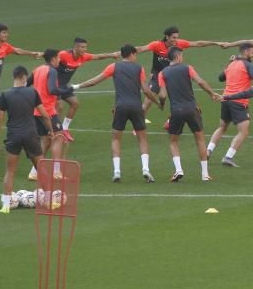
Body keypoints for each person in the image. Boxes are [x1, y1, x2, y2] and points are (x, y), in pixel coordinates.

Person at [74, 45, 161, 182]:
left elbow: (95, 81)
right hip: (136, 107)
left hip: (120, 107)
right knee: (142, 138)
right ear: (132, 54)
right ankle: (145, 169)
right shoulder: (139, 68)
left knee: (116, 139)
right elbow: (146, 90)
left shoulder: (113, 67)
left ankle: (117, 172)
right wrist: (156, 102)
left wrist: (76, 86)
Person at [0, 66, 53, 214]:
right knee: (41, 169)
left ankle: (6, 206)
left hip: (13, 135)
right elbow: (44, 115)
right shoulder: (32, 92)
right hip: (31, 134)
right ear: (24, 77)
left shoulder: (5, 95)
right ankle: (50, 202)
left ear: (14, 77)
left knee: (10, 171)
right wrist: (50, 130)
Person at [156, 47, 218, 182]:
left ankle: (178, 170)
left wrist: (161, 104)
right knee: (200, 139)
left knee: (173, 141)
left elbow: (162, 95)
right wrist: (212, 93)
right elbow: (200, 82)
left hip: (176, 111)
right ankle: (205, 174)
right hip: (192, 109)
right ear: (178, 57)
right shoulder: (187, 68)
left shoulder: (162, 73)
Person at [134, 26, 223, 118]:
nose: (176, 40)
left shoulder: (179, 43)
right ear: (167, 37)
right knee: (148, 101)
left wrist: (215, 43)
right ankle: (139, 124)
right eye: (174, 37)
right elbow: (140, 49)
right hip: (157, 75)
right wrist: (121, 53)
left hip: (173, 76)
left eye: (177, 37)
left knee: (179, 100)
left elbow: (198, 43)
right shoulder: (157, 45)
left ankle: (171, 120)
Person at [206, 43, 253, 166]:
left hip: (225, 100)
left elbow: (221, 77)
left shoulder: (232, 64)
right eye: (252, 52)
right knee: (244, 131)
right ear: (246, 52)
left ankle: (208, 150)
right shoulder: (248, 65)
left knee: (222, 127)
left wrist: (229, 64)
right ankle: (228, 157)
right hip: (239, 102)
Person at [56, 37, 118, 142]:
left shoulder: (83, 57)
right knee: (59, 107)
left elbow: (98, 56)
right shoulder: (64, 55)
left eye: (86, 47)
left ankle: (65, 128)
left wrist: (112, 55)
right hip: (53, 85)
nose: (85, 49)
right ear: (76, 47)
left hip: (64, 85)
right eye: (83, 47)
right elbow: (50, 57)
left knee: (75, 103)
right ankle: (55, 132)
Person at [27, 49, 71, 181]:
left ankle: (34, 172)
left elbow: (26, 83)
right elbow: (52, 89)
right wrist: (65, 90)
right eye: (58, 58)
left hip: (36, 110)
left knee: (45, 140)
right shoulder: (52, 71)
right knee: (58, 137)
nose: (59, 60)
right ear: (53, 59)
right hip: (47, 111)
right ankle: (56, 172)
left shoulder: (38, 69)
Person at [0, 23, 42, 90]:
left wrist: (31, 53)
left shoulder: (5, 46)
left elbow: (17, 51)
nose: (7, 35)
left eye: (7, 33)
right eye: (4, 33)